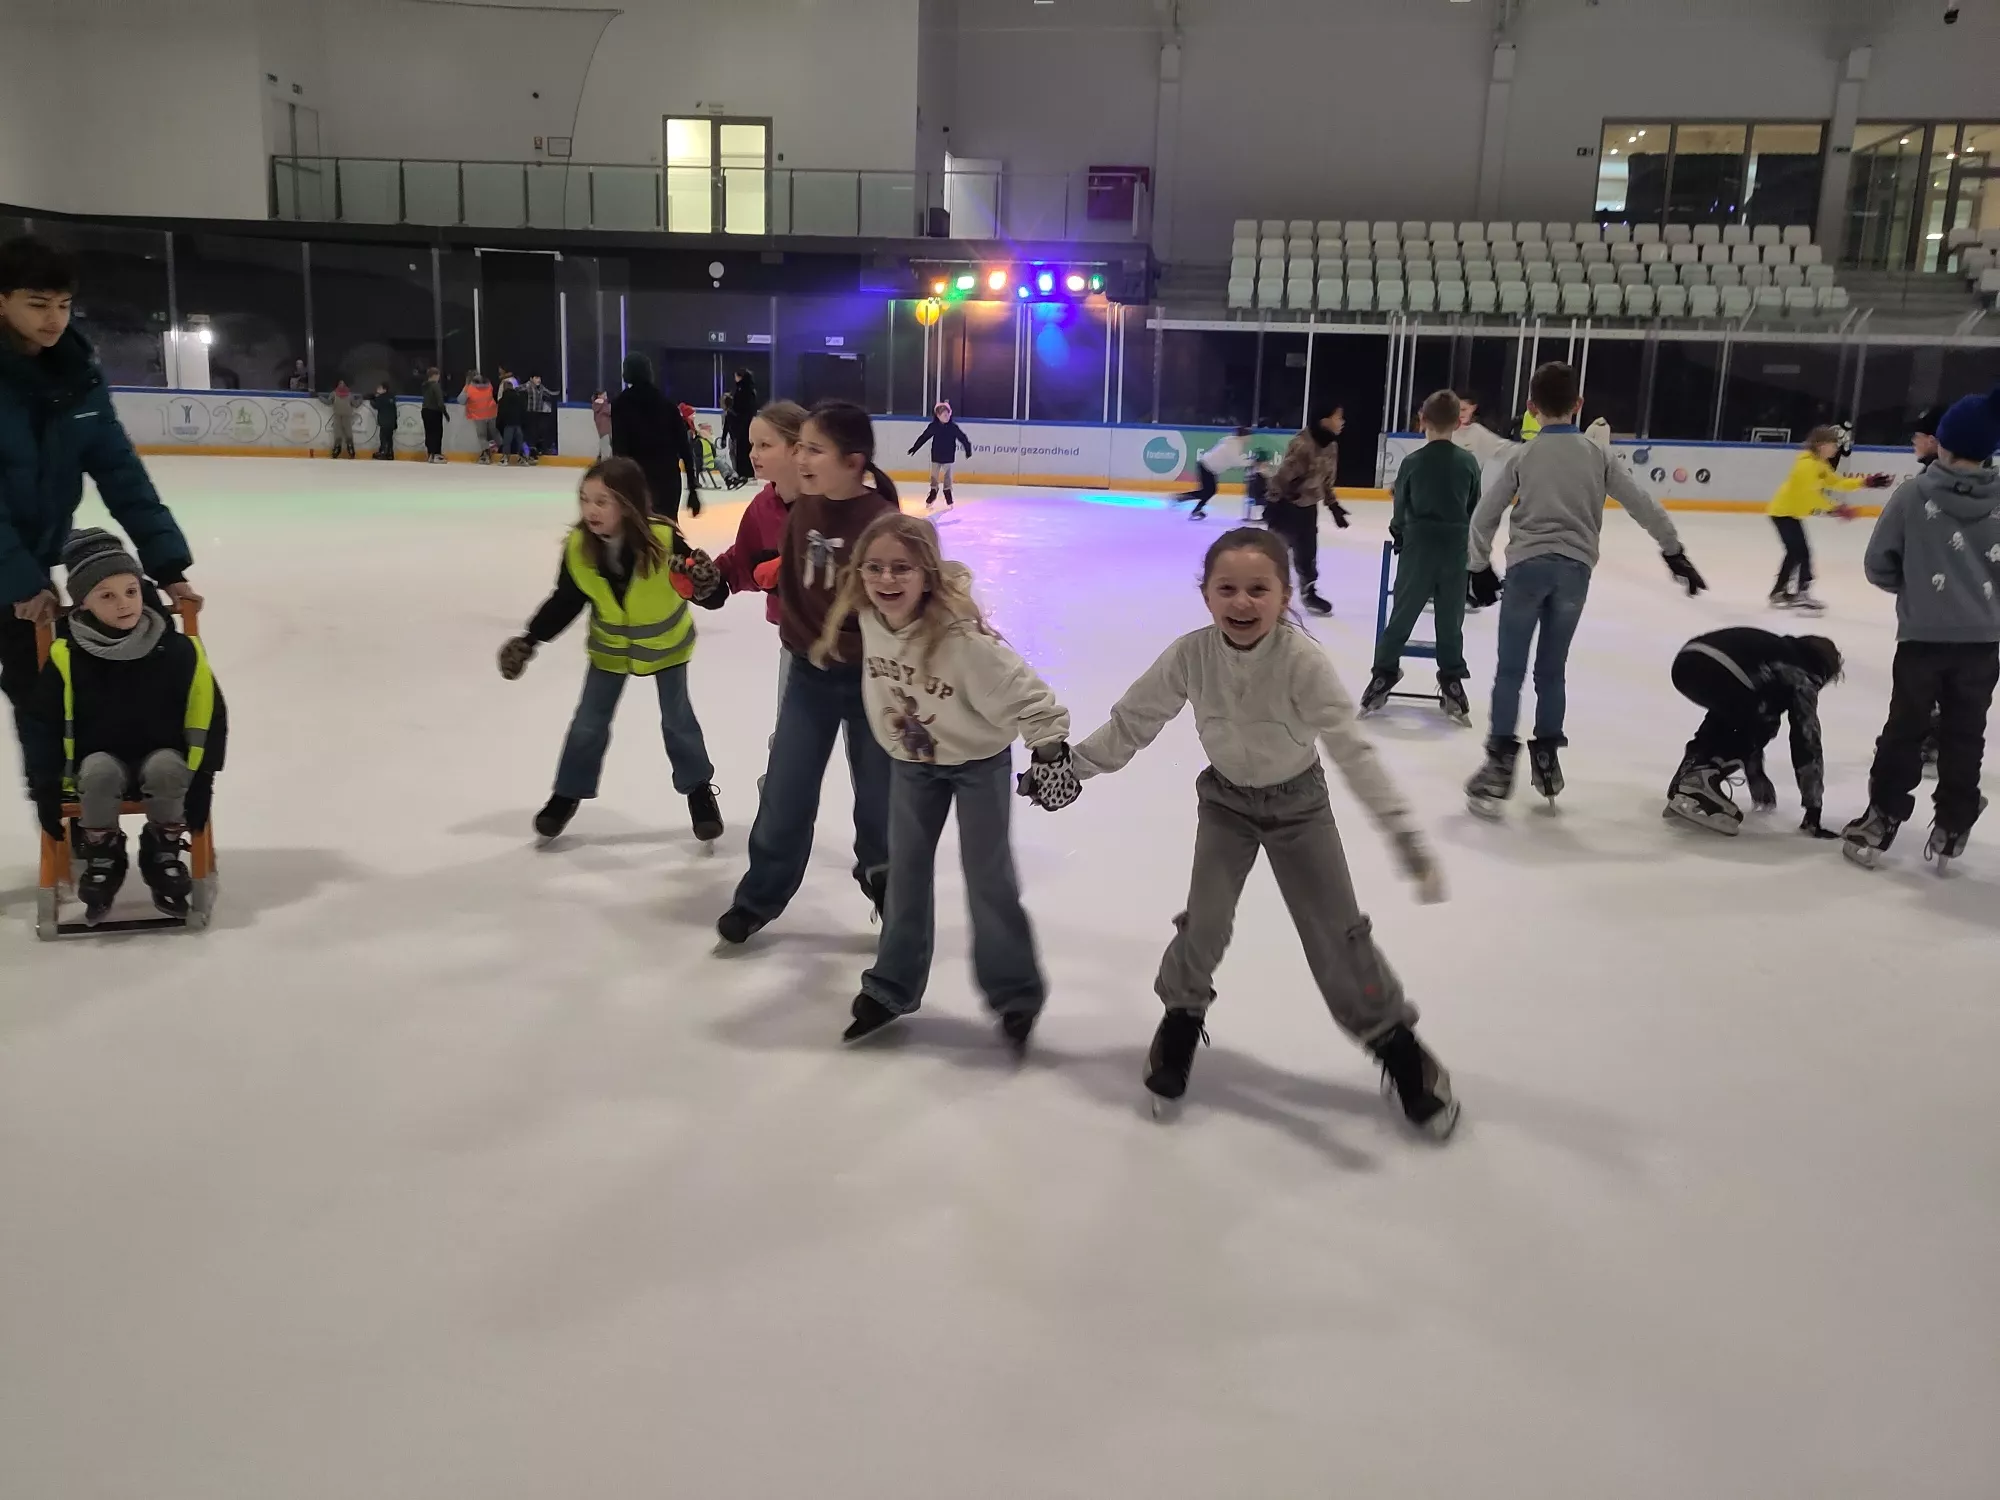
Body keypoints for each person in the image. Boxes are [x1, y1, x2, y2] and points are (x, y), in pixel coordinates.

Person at [1049, 527, 1455, 1136]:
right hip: (1227, 805)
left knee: (1337, 934)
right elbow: (1135, 720)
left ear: (1284, 595)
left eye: (1259, 589)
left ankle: (1396, 1044)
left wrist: (1403, 834)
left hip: (1299, 807)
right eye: (1227, 589)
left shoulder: (1301, 662)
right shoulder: (1191, 655)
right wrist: (1075, 767)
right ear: (1206, 595)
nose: (1242, 602)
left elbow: (1352, 749)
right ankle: (1182, 1017)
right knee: (1205, 922)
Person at [817, 512, 1071, 1050]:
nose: (886, 579)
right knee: (905, 874)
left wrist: (1050, 753)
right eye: (874, 567)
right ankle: (891, 986)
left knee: (988, 876)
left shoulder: (962, 641)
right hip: (913, 764)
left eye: (901, 568)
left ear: (927, 574)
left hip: (978, 762)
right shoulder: (868, 617)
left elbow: (1030, 696)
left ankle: (1015, 993)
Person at [1464, 361, 1706, 815]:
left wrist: (1478, 566)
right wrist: (1673, 550)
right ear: (1578, 405)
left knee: (1510, 670)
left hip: (1527, 569)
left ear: (1531, 407)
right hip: (1574, 573)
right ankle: (1547, 756)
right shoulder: (1598, 455)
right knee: (1551, 670)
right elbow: (1642, 503)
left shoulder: (1522, 456)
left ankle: (1498, 764)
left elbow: (1484, 515)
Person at [1, 237, 199, 771]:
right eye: (37, 305)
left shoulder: (78, 380)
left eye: (63, 305)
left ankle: (61, 805)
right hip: (15, 570)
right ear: (2, 301)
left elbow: (121, 475)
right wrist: (21, 583)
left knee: (45, 699)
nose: (54, 319)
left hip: (26, 568)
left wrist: (168, 565)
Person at [715, 401, 900, 945]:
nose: (801, 458)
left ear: (853, 462)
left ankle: (888, 884)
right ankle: (759, 896)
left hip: (873, 681)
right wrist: (716, 584)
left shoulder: (882, 524)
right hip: (810, 678)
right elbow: (789, 596)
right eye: (799, 448)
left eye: (814, 450)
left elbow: (905, 609)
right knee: (787, 789)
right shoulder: (800, 515)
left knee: (880, 797)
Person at [496, 457, 724, 846]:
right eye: (585, 500)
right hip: (611, 650)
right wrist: (530, 640)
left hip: (666, 648)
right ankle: (566, 794)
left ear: (628, 504)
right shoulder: (578, 547)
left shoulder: (664, 541)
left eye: (602, 501)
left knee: (678, 722)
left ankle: (699, 792)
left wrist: (706, 586)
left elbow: (705, 591)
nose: (591, 510)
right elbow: (567, 601)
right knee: (588, 724)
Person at [20, 529, 226, 921]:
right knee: (99, 771)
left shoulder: (176, 650)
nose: (124, 604)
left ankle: (163, 849)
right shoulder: (68, 656)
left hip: (163, 761)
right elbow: (41, 725)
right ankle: (103, 853)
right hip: (94, 766)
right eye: (107, 596)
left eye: (131, 591)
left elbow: (211, 714)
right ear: (83, 602)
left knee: (167, 767)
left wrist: (204, 780)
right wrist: (44, 787)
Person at [1840, 386, 2000, 870]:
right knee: (1964, 733)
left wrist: (1917, 592)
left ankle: (1882, 817)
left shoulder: (1913, 494)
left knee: (1905, 728)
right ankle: (1953, 824)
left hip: (1922, 640)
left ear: (1942, 442)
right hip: (1982, 644)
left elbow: (1878, 564)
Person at [1362, 390, 1482, 723]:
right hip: (1454, 550)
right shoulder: (1468, 462)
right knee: (1450, 618)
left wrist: (1400, 534)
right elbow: (1474, 505)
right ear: (1458, 423)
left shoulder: (1413, 463)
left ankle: (1384, 671)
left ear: (1422, 419)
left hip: (1419, 548)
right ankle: (1452, 676)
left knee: (1402, 613)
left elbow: (1401, 508)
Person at [1663, 628, 1843, 838]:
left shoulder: (1776, 654)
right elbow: (1806, 738)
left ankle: (1691, 773)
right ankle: (1699, 780)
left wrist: (1754, 771)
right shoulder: (1802, 673)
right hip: (1720, 668)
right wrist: (1813, 809)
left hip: (1687, 660)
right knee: (1766, 717)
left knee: (1734, 712)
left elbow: (1742, 710)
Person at [704, 399, 809, 707]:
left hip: (852, 647)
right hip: (796, 644)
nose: (753, 454)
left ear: (796, 449)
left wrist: (793, 574)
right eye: (752, 445)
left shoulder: (831, 502)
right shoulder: (762, 507)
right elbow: (743, 561)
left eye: (764, 445)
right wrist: (712, 580)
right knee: (789, 732)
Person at [1766, 425, 1886, 613]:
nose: (1836, 448)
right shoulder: (1806, 466)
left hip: (1789, 512)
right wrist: (1836, 508)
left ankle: (1779, 592)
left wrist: (1865, 482)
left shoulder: (1819, 464)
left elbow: (1837, 482)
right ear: (1821, 445)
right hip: (1783, 513)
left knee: (1795, 552)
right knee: (1801, 552)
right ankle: (1801, 593)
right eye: (1833, 444)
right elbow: (1810, 496)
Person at [1263, 407, 1347, 616]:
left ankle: (1308, 592)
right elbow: (1282, 477)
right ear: (1324, 420)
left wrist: (1333, 506)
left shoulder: (1331, 446)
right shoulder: (1303, 444)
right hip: (1287, 507)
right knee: (1276, 554)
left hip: (1309, 508)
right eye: (1338, 417)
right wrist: (1272, 503)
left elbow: (1326, 481)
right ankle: (1265, 592)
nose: (1342, 421)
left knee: (1307, 554)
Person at [611, 353, 697, 522]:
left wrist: (617, 486)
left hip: (636, 481)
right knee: (666, 528)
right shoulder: (667, 404)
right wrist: (693, 489)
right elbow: (684, 448)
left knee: (637, 529)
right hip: (667, 480)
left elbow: (620, 450)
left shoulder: (620, 404)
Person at [907, 400, 973, 507]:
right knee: (934, 477)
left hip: (948, 457)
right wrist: (915, 448)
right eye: (944, 415)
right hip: (936, 456)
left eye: (948, 414)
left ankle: (948, 493)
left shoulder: (953, 427)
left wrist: (968, 449)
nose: (947, 416)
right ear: (938, 416)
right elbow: (924, 437)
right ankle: (933, 492)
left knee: (948, 478)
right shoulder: (934, 426)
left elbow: (963, 438)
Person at [1178, 425, 1250, 519]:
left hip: (1209, 467)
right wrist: (1251, 462)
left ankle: (1192, 505)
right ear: (1244, 436)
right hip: (1207, 467)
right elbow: (1235, 461)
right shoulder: (1234, 445)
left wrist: (1247, 460)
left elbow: (1235, 459)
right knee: (1208, 491)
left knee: (1209, 491)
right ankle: (1185, 498)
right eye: (1248, 436)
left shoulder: (1233, 442)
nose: (1249, 439)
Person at [462, 370, 498, 462]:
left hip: (478, 414)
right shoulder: (489, 385)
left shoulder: (469, 387)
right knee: (492, 433)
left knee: (482, 436)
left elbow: (461, 400)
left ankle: (485, 454)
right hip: (491, 413)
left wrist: (466, 386)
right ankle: (497, 449)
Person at [496, 376, 529, 466]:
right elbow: (523, 411)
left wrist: (498, 424)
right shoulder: (519, 398)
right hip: (518, 424)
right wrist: (523, 423)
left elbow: (501, 413)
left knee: (507, 442)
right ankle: (522, 458)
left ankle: (505, 458)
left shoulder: (503, 400)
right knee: (520, 442)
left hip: (508, 424)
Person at [322, 378, 359, 458]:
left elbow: (355, 404)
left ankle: (350, 448)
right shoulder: (334, 394)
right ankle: (337, 448)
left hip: (347, 416)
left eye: (343, 383)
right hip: (337, 416)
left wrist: (361, 399)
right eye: (340, 383)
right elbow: (329, 402)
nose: (342, 385)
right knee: (338, 434)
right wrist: (320, 397)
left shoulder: (349, 394)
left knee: (348, 433)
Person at [523, 373, 556, 462]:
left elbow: (550, 393)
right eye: (536, 378)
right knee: (531, 433)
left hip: (538, 413)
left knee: (538, 432)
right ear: (531, 379)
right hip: (530, 413)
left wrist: (558, 393)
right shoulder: (528, 385)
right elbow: (519, 388)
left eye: (539, 378)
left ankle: (538, 450)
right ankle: (530, 452)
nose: (539, 380)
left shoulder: (541, 387)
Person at [420, 368, 447, 463]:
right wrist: (445, 412)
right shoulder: (435, 386)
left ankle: (430, 454)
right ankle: (436, 454)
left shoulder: (425, 386)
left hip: (425, 410)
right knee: (437, 433)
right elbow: (440, 401)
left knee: (429, 433)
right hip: (434, 411)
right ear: (435, 375)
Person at [369, 383, 398, 461]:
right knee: (389, 438)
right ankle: (390, 453)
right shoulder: (392, 397)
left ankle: (383, 452)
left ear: (384, 390)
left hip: (384, 421)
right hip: (391, 421)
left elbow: (376, 406)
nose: (378, 389)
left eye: (380, 388)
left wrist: (372, 400)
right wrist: (395, 422)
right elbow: (394, 410)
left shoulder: (381, 397)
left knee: (383, 437)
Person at [591, 390, 612, 460]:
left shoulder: (598, 405)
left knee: (605, 444)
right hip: (605, 428)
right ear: (599, 396)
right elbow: (608, 412)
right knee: (606, 446)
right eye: (604, 395)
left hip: (604, 428)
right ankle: (605, 461)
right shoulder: (603, 403)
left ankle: (601, 458)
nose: (606, 397)